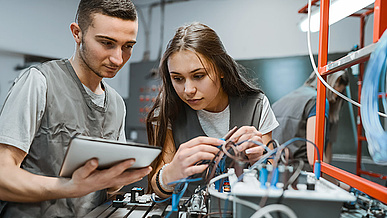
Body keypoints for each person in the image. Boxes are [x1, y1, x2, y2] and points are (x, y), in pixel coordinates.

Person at [0, 0, 152, 217]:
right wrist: (69, 188)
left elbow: (108, 189)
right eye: (107, 43)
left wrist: (120, 178)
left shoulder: (117, 103)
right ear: (77, 33)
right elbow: (3, 176)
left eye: (128, 46)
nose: (118, 59)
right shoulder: (39, 82)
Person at [146, 22, 279, 198]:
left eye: (198, 76)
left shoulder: (256, 106)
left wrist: (260, 156)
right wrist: (170, 173)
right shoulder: (169, 110)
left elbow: (272, 176)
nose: (188, 90)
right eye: (177, 78)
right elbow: (156, 187)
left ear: (221, 69)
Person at [272, 70, 349, 171]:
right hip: (301, 174)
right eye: (336, 94)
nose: (334, 100)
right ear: (332, 84)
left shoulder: (280, 101)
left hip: (275, 172)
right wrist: (338, 184)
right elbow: (315, 159)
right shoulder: (318, 100)